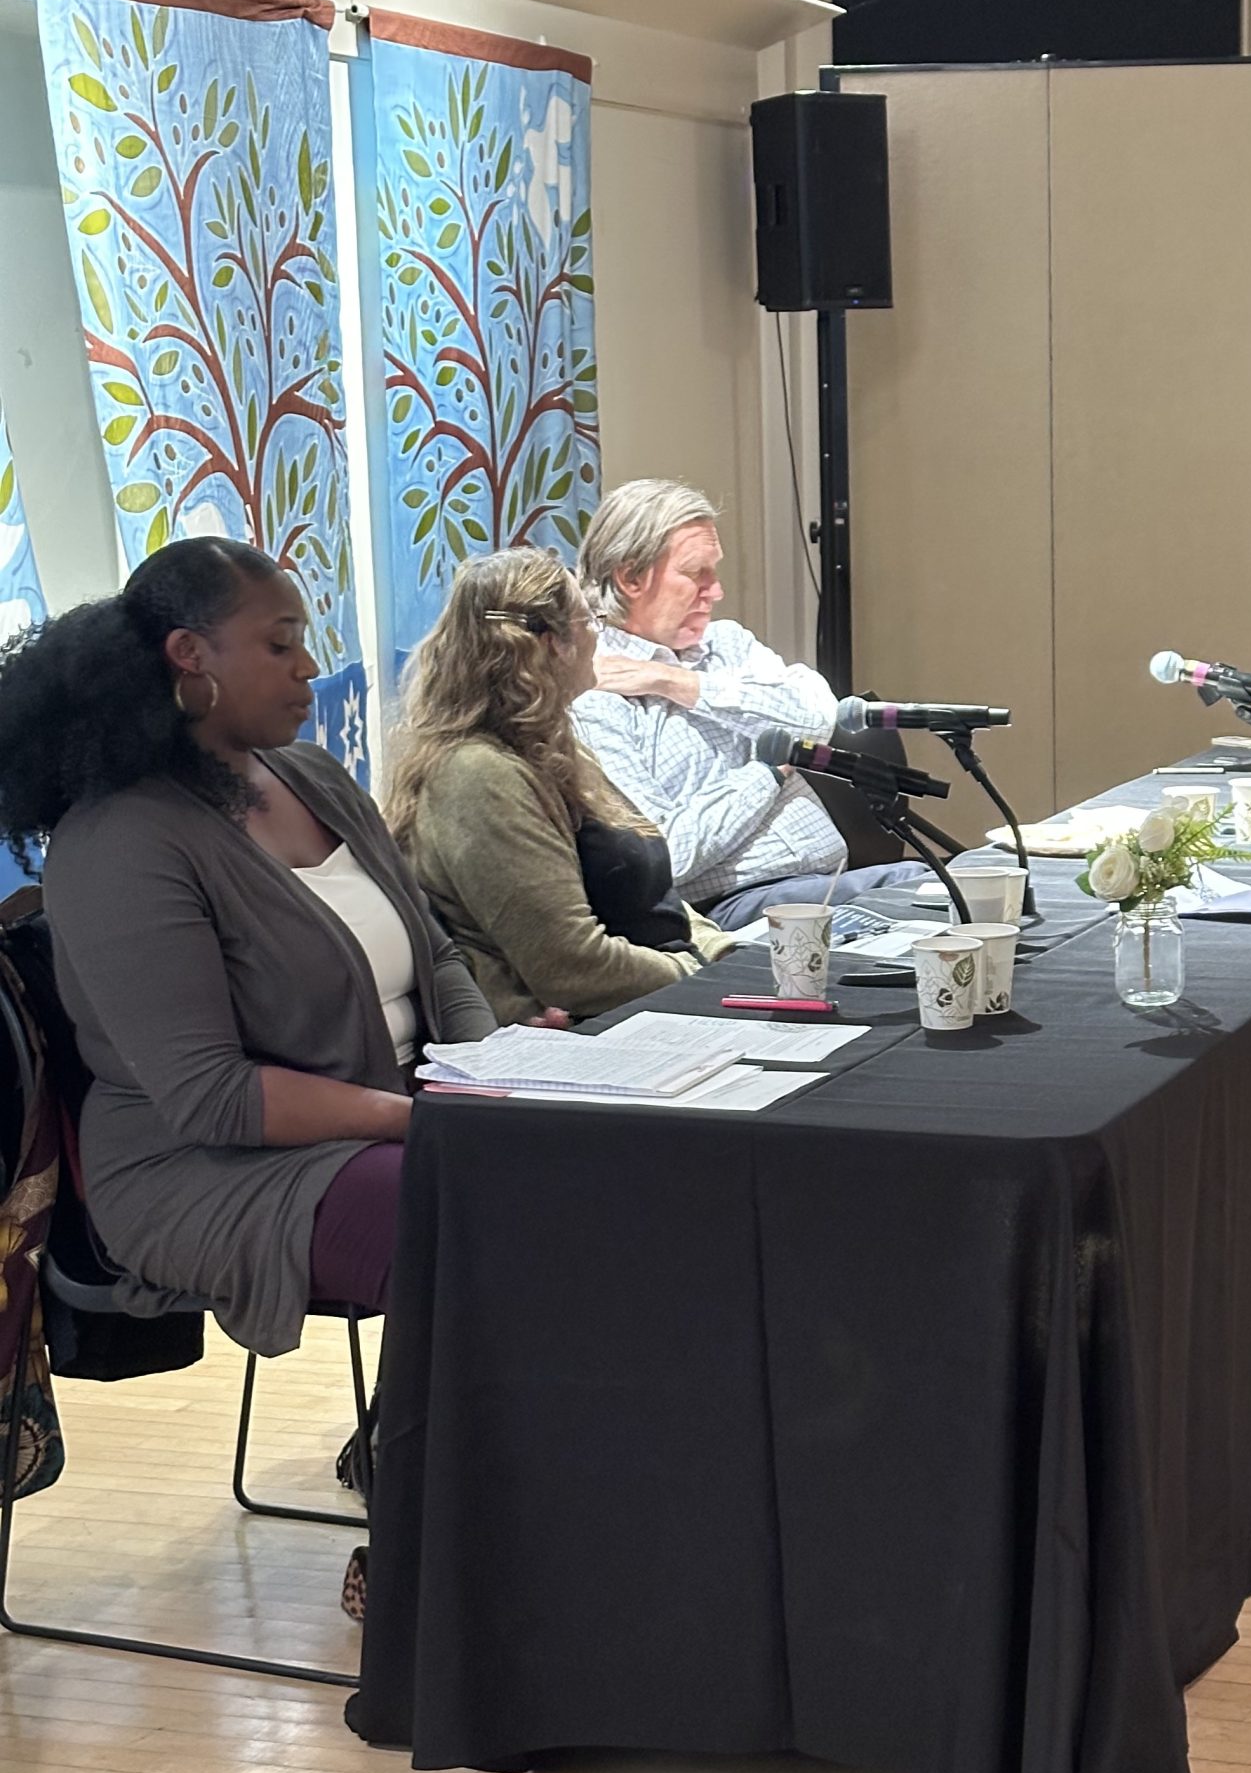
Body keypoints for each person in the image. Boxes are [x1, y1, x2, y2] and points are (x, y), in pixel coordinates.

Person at [0, 537, 494, 1367]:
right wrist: (427, 1120)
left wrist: (493, 1075)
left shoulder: (314, 776)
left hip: (401, 1117)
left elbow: (437, 957)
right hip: (206, 1170)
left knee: (584, 1168)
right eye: (279, 643)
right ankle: (451, 1478)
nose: (308, 666)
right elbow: (212, 1097)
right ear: (190, 656)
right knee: (486, 1212)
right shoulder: (121, 841)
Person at [386, 550, 732, 1022]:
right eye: (590, 618)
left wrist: (725, 953)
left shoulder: (553, 748)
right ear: (552, 643)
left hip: (655, 999)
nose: (599, 633)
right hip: (593, 1028)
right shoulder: (478, 776)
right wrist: (695, 973)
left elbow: (651, 899)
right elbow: (571, 967)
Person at [571, 481, 927, 931]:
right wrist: (768, 771)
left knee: (964, 889)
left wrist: (681, 682)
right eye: (696, 572)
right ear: (630, 578)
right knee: (926, 893)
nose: (715, 591)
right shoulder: (598, 696)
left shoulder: (726, 645)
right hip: (723, 910)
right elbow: (665, 855)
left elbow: (818, 716)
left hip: (822, 881)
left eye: (713, 571)